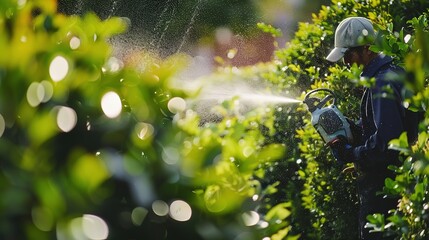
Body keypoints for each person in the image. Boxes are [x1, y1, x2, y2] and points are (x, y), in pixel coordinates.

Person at [325, 17, 420, 240]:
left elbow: (386, 144)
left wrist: (350, 153)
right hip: (396, 189)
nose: (346, 63)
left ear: (366, 49)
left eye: (348, 55)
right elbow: (384, 127)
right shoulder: (392, 73)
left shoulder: (381, 83)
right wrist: (349, 127)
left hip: (384, 196)